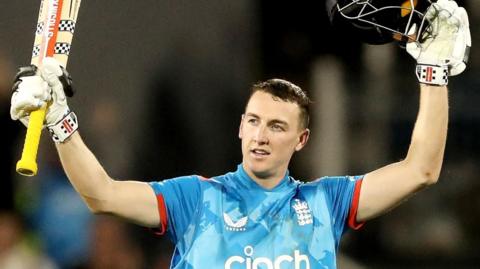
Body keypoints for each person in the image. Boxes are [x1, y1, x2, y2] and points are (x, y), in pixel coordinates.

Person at [9, 0, 471, 268]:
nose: (260, 136)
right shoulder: (196, 199)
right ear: (239, 127)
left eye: (276, 126)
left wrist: (433, 73)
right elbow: (102, 195)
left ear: (301, 141)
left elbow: (421, 170)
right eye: (253, 121)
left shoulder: (325, 203)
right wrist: (60, 121)